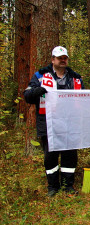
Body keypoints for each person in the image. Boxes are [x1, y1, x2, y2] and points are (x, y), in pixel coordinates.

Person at [24, 46, 84, 197]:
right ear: (53, 59)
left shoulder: (75, 77)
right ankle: (53, 186)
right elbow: (27, 95)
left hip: (70, 122)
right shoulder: (40, 76)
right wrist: (36, 92)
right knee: (50, 155)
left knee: (70, 154)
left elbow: (84, 99)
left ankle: (68, 185)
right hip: (48, 122)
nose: (63, 60)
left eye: (65, 58)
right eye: (59, 58)